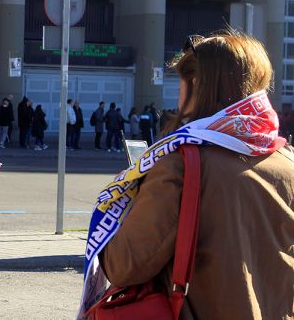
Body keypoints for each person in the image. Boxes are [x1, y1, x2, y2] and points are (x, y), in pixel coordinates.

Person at [99, 31, 294, 319]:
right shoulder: (286, 160)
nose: (177, 99)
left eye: (179, 87)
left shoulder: (182, 163)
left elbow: (125, 265)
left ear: (197, 87)